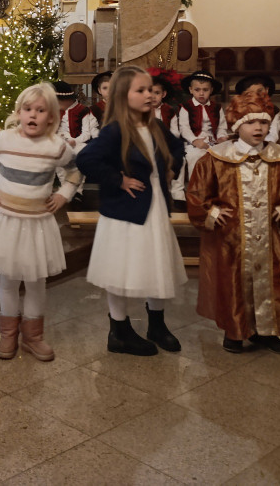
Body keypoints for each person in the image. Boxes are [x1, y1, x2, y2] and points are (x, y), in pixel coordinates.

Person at [186, 90, 280, 354]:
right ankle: (235, 331)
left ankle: (265, 331)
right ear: (236, 126)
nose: (258, 128)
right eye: (250, 122)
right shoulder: (217, 158)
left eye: (264, 122)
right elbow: (197, 192)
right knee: (234, 283)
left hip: (269, 238)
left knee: (272, 281)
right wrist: (211, 212)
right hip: (231, 238)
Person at [76, 66, 186, 356]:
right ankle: (119, 329)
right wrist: (118, 179)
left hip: (155, 207)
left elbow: (177, 149)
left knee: (157, 263)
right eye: (141, 90)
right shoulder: (115, 130)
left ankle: (157, 324)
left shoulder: (156, 127)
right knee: (121, 268)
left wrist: (171, 168)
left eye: (150, 89)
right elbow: (87, 159)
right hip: (127, 212)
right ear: (124, 97)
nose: (149, 94)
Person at [0, 83, 82, 362]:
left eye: (40, 110)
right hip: (8, 222)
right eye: (27, 109)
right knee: (8, 280)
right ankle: (8, 334)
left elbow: (74, 173)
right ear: (19, 112)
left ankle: (34, 336)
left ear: (52, 116)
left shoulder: (56, 146)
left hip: (38, 225)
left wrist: (63, 194)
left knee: (36, 282)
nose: (33, 115)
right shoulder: (4, 139)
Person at [175, 70, 229, 199]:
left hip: (213, 140)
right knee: (195, 157)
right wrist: (195, 141)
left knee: (222, 157)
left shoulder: (217, 107)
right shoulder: (186, 107)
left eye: (205, 90)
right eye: (197, 89)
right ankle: (197, 190)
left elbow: (221, 126)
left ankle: (217, 190)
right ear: (191, 90)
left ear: (211, 90)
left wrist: (222, 137)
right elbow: (184, 128)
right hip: (192, 142)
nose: (201, 93)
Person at [234, 75, 280, 142]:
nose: (256, 95)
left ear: (267, 90)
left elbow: (273, 134)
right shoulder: (241, 109)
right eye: (251, 92)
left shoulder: (274, 110)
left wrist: (261, 145)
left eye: (259, 91)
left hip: (265, 145)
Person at [54, 80, 98, 151]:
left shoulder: (82, 110)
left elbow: (86, 133)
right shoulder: (56, 111)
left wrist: (74, 141)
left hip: (76, 144)